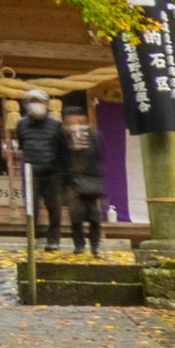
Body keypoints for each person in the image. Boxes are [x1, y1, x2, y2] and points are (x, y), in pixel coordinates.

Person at [10, 94, 65, 250]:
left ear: (46, 104)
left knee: (53, 206)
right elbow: (22, 144)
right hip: (30, 170)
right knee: (30, 206)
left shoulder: (56, 125)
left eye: (39, 102)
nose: (36, 105)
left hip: (52, 170)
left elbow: (61, 147)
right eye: (32, 102)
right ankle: (31, 237)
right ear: (26, 105)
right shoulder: (21, 124)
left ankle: (53, 239)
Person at [58, 103, 106, 254]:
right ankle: (79, 245)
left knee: (94, 217)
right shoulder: (63, 137)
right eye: (69, 120)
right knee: (76, 217)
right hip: (73, 182)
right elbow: (60, 158)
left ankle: (95, 246)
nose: (73, 123)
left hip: (91, 180)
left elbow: (100, 155)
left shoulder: (95, 136)